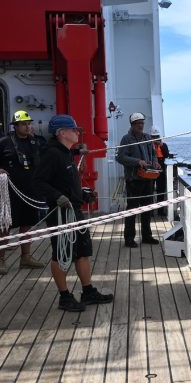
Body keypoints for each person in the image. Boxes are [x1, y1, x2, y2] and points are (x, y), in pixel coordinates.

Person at [32, 114, 113, 312]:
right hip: (59, 212)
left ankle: (88, 291)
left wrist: (82, 194)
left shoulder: (66, 152)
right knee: (62, 254)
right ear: (61, 133)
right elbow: (38, 182)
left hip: (74, 210)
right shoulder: (51, 154)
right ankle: (64, 297)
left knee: (83, 252)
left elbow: (67, 181)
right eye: (74, 129)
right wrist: (57, 196)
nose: (77, 132)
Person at [0, 111, 47, 274]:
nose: (28, 126)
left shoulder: (36, 142)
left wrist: (76, 152)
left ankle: (25, 257)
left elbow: (51, 153)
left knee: (27, 224)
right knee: (4, 224)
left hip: (29, 189)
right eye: (24, 124)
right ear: (15, 126)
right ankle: (0, 259)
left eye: (29, 123)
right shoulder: (3, 143)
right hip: (9, 190)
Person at [116, 113, 160, 247]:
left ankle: (147, 236)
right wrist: (137, 162)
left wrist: (155, 162)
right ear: (132, 125)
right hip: (134, 180)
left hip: (148, 179)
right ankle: (129, 239)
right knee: (132, 210)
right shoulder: (126, 139)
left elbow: (153, 155)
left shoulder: (147, 137)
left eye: (142, 123)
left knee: (148, 209)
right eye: (138, 124)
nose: (140, 125)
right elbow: (121, 157)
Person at [150, 127, 172, 220]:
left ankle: (160, 210)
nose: (155, 139)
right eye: (153, 137)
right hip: (150, 169)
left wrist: (161, 145)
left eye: (157, 137)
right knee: (149, 190)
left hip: (161, 169)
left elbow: (166, 155)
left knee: (161, 190)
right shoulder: (148, 145)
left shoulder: (164, 145)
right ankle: (150, 211)